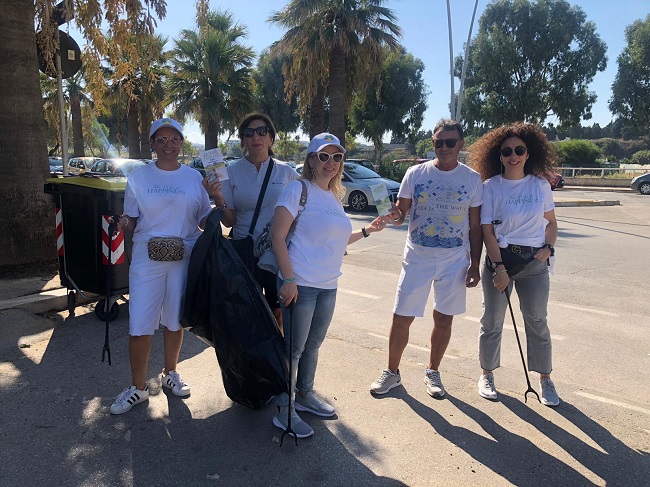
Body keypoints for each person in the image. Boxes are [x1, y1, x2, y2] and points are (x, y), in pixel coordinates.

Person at [271, 133, 395, 438]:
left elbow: (337, 241)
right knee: (294, 349)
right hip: (300, 282)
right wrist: (288, 279)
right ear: (311, 159)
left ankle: (306, 395)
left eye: (336, 157)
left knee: (312, 345)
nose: (330, 162)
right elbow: (277, 236)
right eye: (323, 156)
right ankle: (283, 409)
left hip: (328, 284)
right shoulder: (297, 190)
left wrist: (367, 230)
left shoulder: (333, 197)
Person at [109, 118, 217, 415]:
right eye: (161, 140)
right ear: (152, 143)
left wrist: (219, 201)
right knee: (139, 323)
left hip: (184, 255)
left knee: (175, 320)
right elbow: (132, 220)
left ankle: (170, 373)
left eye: (174, 140)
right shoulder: (139, 178)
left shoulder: (195, 178)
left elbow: (204, 219)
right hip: (147, 257)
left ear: (182, 143)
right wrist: (123, 224)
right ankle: (138, 388)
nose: (168, 146)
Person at [370, 119, 483, 398]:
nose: (444, 148)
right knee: (401, 318)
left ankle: (433, 371)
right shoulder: (415, 174)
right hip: (417, 256)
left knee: (443, 319)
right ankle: (392, 373)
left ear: (460, 144)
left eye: (450, 142)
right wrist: (391, 215)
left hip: (455, 259)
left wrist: (475, 264)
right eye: (438, 142)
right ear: (433, 144)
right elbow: (401, 214)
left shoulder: (472, 179)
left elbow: (476, 225)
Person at [470, 122, 560, 406]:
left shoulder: (540, 185)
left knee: (537, 321)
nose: (513, 155)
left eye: (519, 150)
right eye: (506, 150)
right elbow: (487, 231)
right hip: (501, 262)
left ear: (527, 153)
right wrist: (498, 268)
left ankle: (545, 379)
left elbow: (552, 223)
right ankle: (487, 374)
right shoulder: (491, 187)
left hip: (534, 264)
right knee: (492, 321)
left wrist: (548, 247)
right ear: (498, 155)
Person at [218, 113, 299, 328]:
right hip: (243, 252)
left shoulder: (287, 173)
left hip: (275, 253)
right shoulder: (230, 172)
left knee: (277, 310)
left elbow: (302, 210)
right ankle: (249, 359)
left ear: (271, 139)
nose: (256, 137)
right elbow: (228, 221)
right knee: (245, 311)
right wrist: (218, 199)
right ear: (243, 140)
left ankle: (275, 358)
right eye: (249, 133)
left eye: (262, 132)